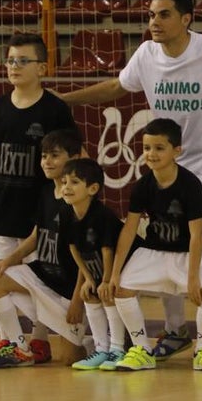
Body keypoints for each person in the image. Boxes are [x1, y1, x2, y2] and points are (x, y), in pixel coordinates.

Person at [61, 0, 202, 365]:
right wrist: (62, 100)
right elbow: (114, 87)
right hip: (169, 167)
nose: (154, 21)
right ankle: (176, 331)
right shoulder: (146, 55)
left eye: (164, 14)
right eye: (151, 15)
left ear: (186, 18)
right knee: (167, 244)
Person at [0, 33, 78, 361]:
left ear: (42, 67)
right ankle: (10, 340)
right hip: (3, 207)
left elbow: (74, 156)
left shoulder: (55, 108)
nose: (14, 66)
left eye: (23, 60)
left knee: (39, 279)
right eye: (10, 60)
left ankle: (39, 339)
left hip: (39, 211)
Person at [108, 118, 202, 373]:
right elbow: (129, 229)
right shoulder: (143, 185)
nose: (151, 154)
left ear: (177, 151)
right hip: (155, 250)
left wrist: (193, 277)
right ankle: (142, 349)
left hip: (189, 252)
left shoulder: (190, 184)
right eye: (147, 148)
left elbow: (197, 235)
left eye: (159, 148)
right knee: (121, 290)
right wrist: (115, 272)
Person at [0, 129, 84, 368]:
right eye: (44, 156)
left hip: (67, 291)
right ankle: (20, 347)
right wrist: (8, 261)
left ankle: (100, 344)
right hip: (41, 276)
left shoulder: (79, 201)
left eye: (55, 156)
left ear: (75, 157)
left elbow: (86, 257)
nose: (47, 161)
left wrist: (78, 301)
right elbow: (37, 235)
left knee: (71, 359)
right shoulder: (47, 192)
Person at [60, 158, 125, 371]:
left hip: (120, 268)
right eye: (64, 182)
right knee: (89, 295)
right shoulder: (68, 214)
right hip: (96, 269)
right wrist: (88, 279)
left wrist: (105, 281)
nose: (66, 187)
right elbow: (73, 249)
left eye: (74, 182)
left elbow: (108, 251)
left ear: (93, 188)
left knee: (108, 297)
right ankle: (101, 349)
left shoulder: (103, 215)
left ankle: (117, 349)